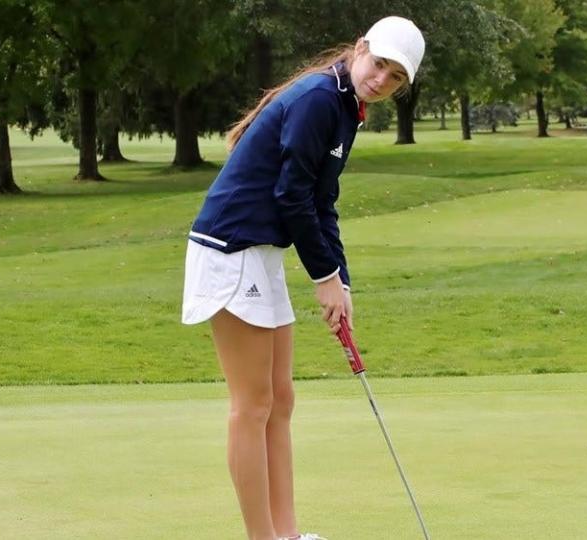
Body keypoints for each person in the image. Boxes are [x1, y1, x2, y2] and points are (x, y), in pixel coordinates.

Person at [181, 16, 425, 540]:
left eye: (395, 78)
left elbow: (322, 201)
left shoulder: (346, 109)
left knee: (280, 400)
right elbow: (290, 197)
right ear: (360, 49)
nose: (381, 79)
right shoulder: (320, 98)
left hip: (260, 252)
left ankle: (287, 535)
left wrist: (342, 282)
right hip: (230, 248)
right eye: (379, 64)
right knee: (252, 406)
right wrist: (322, 278)